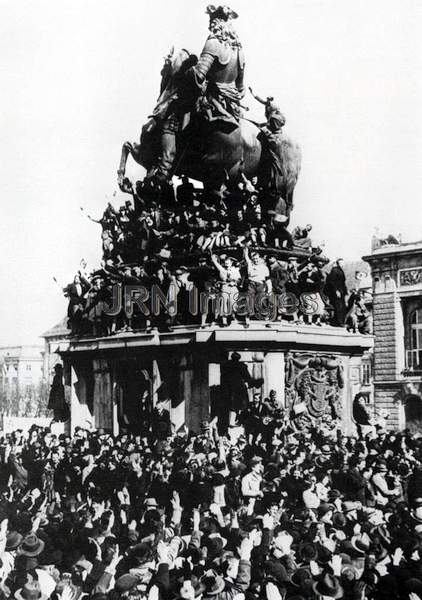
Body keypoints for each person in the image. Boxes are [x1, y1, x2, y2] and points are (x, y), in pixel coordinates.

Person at [152, 5, 245, 182]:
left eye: (212, 22)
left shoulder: (213, 43)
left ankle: (164, 168)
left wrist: (184, 72)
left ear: (216, 23)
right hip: (232, 108)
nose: (211, 25)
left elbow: (198, 75)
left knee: (171, 118)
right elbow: (240, 88)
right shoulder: (239, 51)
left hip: (211, 102)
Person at [325, 258, 347, 326]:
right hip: (337, 292)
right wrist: (336, 290)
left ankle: (340, 322)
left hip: (341, 291)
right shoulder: (335, 270)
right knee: (338, 307)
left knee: (342, 307)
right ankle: (338, 322)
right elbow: (332, 282)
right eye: (341, 263)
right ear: (338, 263)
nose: (343, 264)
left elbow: (342, 283)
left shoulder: (340, 271)